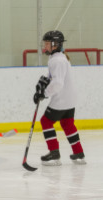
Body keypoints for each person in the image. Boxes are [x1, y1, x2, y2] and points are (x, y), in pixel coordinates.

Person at [34, 30, 86, 166]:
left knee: (46, 122)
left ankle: (54, 153)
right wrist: (45, 81)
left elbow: (57, 83)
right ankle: (79, 153)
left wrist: (44, 93)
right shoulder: (59, 57)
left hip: (61, 100)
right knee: (67, 124)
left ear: (55, 45)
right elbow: (53, 77)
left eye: (47, 44)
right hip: (70, 99)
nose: (45, 46)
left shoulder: (57, 60)